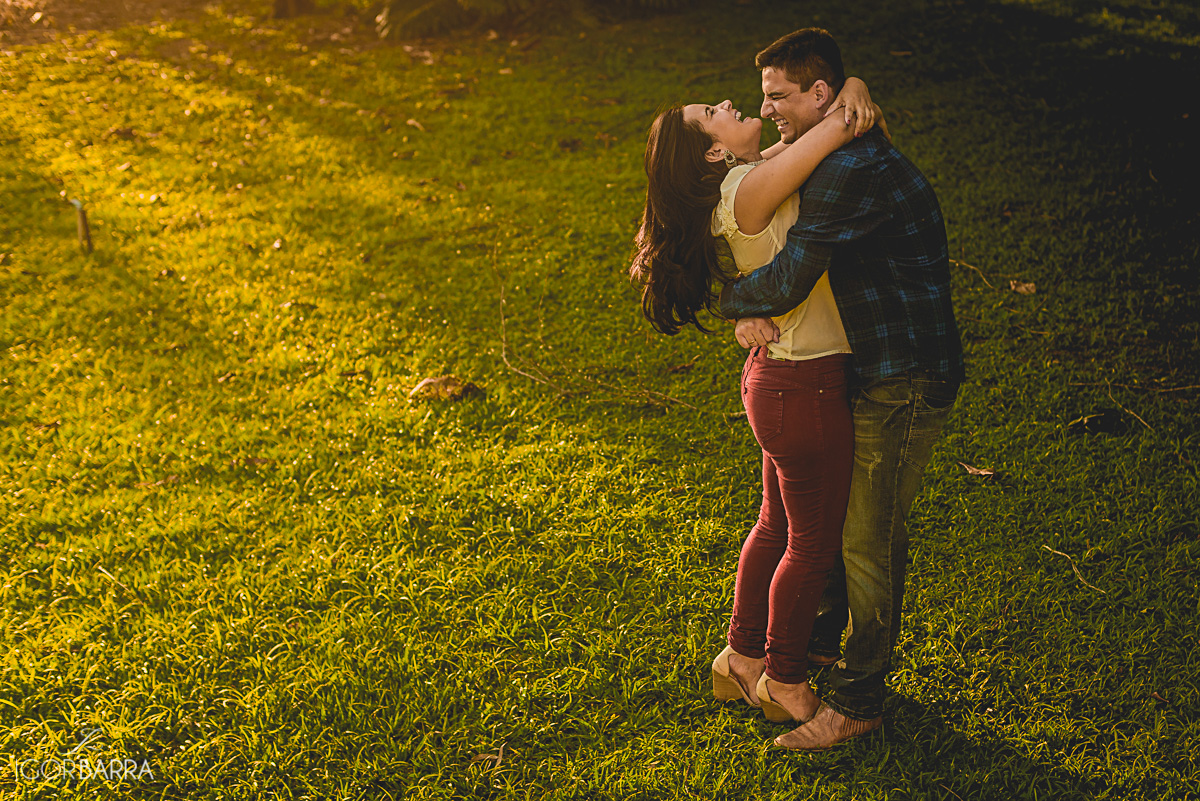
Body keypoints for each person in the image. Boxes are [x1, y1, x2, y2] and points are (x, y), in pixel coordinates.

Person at [719, 28, 964, 750]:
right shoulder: (833, 141)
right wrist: (852, 97)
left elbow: (792, 278)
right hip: (869, 366)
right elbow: (756, 168)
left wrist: (730, 298)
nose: (767, 111)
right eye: (761, 97)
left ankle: (859, 701)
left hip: (906, 374)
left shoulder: (848, 165)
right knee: (822, 524)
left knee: (868, 540)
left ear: (819, 94)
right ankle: (810, 654)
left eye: (777, 97)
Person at [631, 73, 885, 726]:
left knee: (775, 525)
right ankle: (785, 677)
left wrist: (850, 81)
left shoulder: (742, 178)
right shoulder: (748, 187)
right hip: (805, 382)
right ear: (714, 153)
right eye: (713, 112)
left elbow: (821, 125)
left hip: (776, 379)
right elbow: (833, 127)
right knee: (811, 542)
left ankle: (741, 657)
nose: (731, 105)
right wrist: (849, 96)